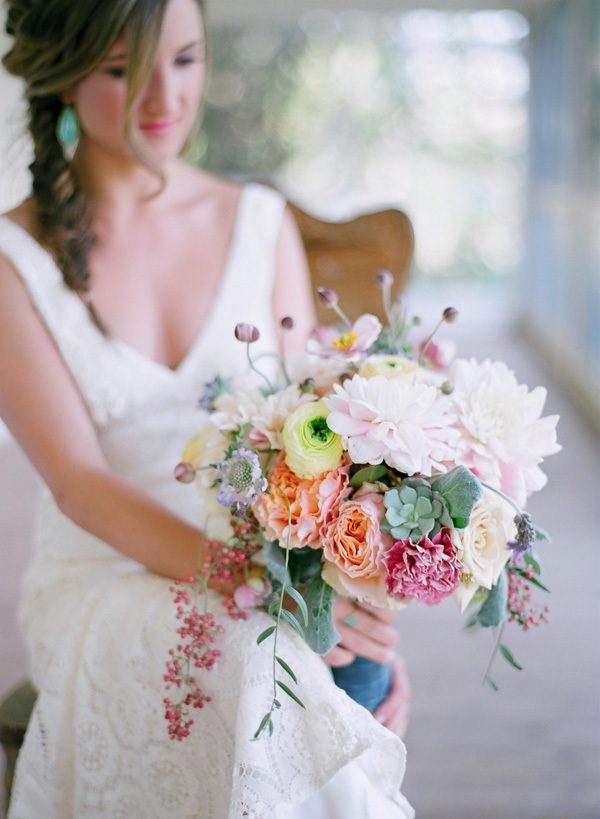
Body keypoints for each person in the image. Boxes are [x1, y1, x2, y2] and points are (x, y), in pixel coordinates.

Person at [0, 0, 413, 816]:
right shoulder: (13, 258)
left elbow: (316, 443)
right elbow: (80, 482)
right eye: (124, 71)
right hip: (107, 565)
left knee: (319, 658)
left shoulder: (257, 222)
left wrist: (367, 608)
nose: (166, 99)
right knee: (263, 655)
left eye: (185, 61)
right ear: (64, 77)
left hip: (262, 542)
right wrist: (261, 586)